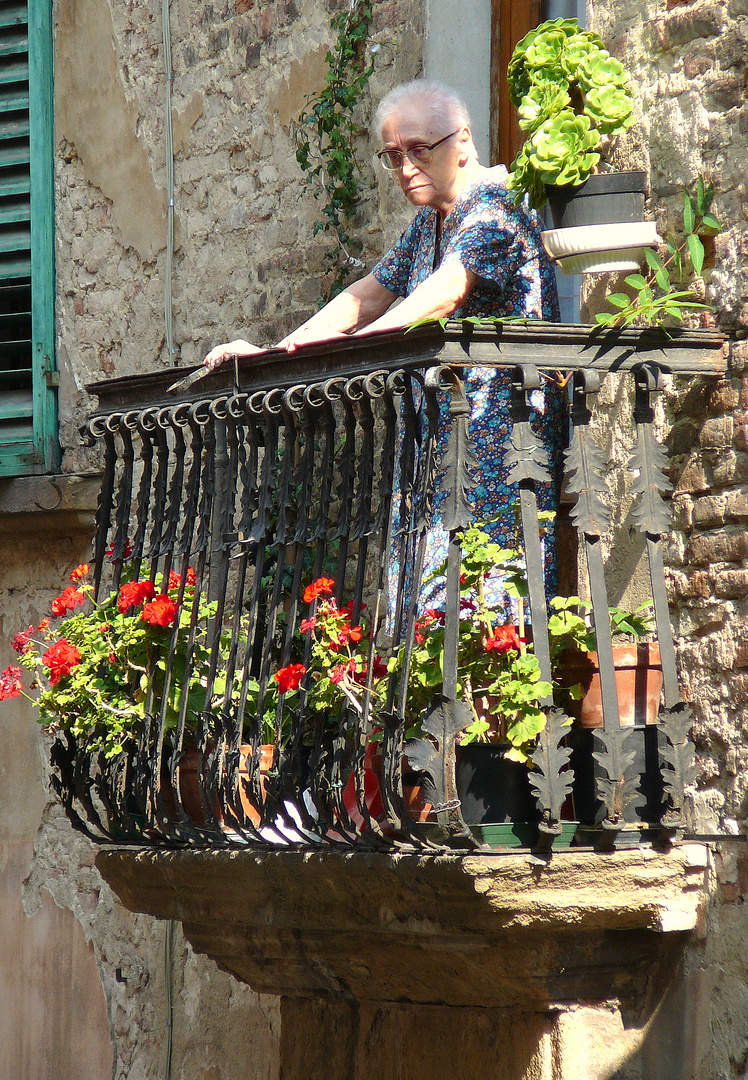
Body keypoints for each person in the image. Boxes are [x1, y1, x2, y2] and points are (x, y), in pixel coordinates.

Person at [204, 80, 564, 601]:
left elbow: (444, 292)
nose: (405, 167)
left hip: (497, 436)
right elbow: (367, 297)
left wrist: (361, 350)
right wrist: (277, 349)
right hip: (437, 438)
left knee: (485, 606)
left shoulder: (496, 204)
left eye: (419, 149)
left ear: (462, 141)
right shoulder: (428, 224)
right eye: (394, 155)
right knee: (429, 605)